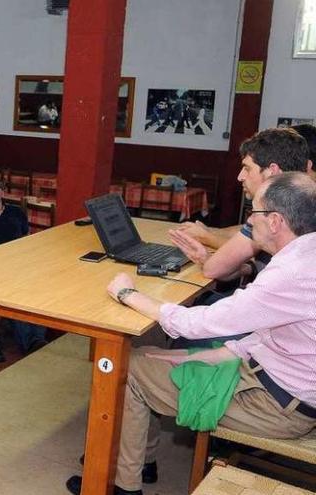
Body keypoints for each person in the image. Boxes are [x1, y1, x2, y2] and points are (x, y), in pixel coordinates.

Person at [66, 172, 316, 495]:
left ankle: (124, 487)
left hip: (276, 405)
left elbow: (201, 323)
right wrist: (219, 353)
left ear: (276, 221)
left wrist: (128, 294)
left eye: (254, 212)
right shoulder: (305, 255)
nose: (249, 221)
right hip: (282, 383)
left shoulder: (292, 272)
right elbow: (276, 334)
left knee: (130, 369)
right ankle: (143, 462)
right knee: (151, 351)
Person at [169, 128, 311, 281]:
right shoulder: (305, 204)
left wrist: (205, 246)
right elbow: (246, 236)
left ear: (272, 171)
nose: (240, 177)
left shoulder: (269, 215)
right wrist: (248, 268)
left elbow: (213, 269)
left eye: (247, 168)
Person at [0, 177, 46, 362]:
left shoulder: (16, 212)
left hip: (19, 262)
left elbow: (27, 238)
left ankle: (38, 336)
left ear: (3, 192)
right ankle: (30, 342)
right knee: (13, 289)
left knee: (39, 283)